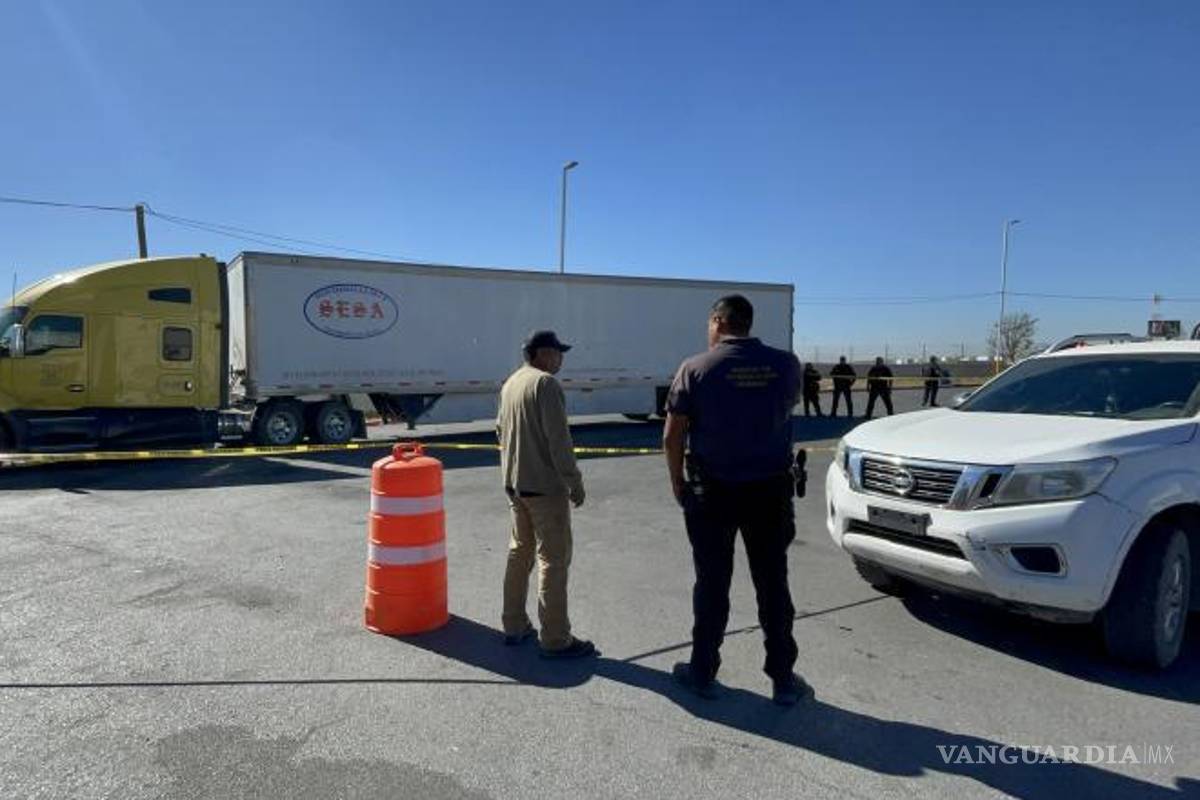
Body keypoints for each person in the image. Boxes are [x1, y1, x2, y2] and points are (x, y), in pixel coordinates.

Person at [663, 294, 810, 706]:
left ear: (717, 322)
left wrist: (676, 481)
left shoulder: (695, 368)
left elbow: (673, 434)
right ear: (748, 323)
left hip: (713, 494)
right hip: (770, 491)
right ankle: (783, 678)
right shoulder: (786, 365)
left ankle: (702, 672)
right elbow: (783, 410)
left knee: (712, 584)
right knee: (773, 584)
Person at [496, 330, 595, 659]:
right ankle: (555, 639)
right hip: (543, 488)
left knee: (519, 554)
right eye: (557, 352)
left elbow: (500, 430)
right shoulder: (545, 384)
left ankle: (513, 625)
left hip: (515, 486)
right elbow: (559, 439)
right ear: (540, 353)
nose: (561, 358)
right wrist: (574, 480)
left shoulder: (511, 383)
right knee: (553, 560)